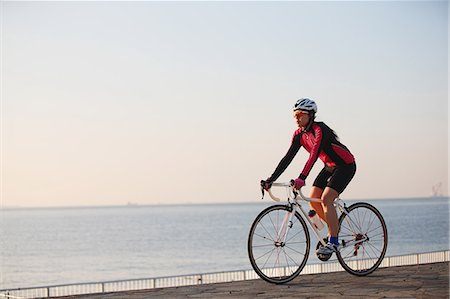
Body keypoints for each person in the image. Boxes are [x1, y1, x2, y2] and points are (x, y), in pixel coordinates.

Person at [260, 98, 356, 256]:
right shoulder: (299, 135)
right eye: (294, 115)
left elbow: (313, 155)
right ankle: (335, 231)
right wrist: (271, 179)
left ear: (310, 115)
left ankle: (333, 242)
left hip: (345, 166)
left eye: (300, 114)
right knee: (313, 199)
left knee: (326, 199)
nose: (296, 118)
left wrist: (302, 178)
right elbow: (287, 158)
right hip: (329, 166)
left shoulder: (320, 130)